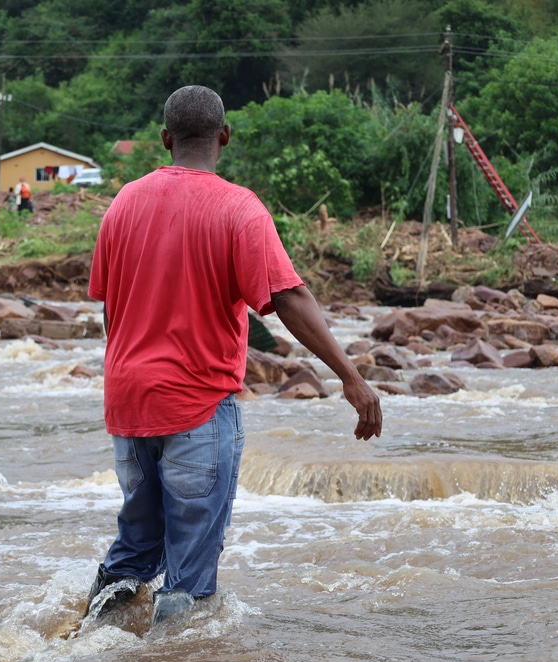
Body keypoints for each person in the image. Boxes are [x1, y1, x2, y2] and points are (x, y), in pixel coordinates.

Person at [85, 85, 383, 628]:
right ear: (224, 135)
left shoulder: (123, 202)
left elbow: (112, 309)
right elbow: (288, 298)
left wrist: (127, 374)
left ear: (164, 139)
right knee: (190, 581)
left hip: (127, 404)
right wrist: (351, 377)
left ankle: (90, 647)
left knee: (134, 548)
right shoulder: (237, 208)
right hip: (197, 404)